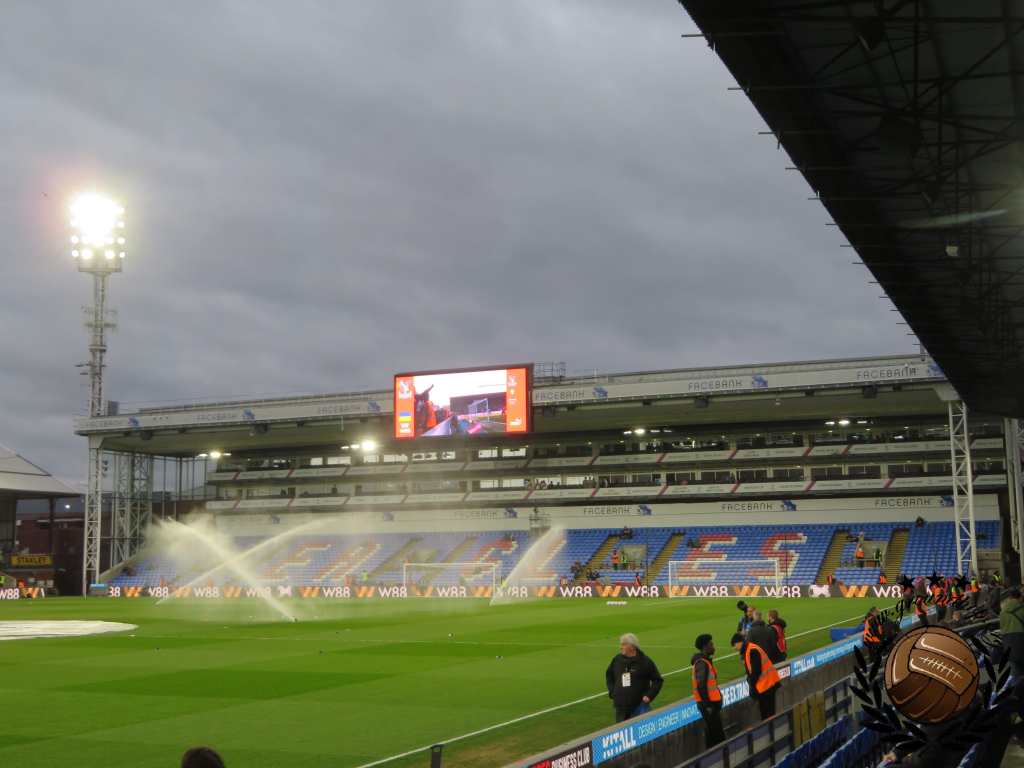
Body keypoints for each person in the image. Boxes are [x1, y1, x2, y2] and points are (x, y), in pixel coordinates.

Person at [605, 633, 663, 723]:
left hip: (639, 706)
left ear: (632, 647)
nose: (621, 647)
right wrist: (613, 692)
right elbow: (609, 675)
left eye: (624, 645)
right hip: (620, 707)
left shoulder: (644, 661)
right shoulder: (617, 660)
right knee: (623, 730)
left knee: (641, 729)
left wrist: (649, 695)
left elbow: (657, 680)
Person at [732, 632, 780, 720]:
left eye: (734, 646)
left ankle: (771, 727)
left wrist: (752, 687)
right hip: (767, 684)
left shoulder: (751, 650)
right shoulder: (749, 649)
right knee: (769, 713)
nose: (735, 649)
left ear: (739, 642)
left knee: (767, 715)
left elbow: (756, 671)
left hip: (767, 686)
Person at [691, 634, 725, 748]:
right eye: (711, 644)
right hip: (708, 705)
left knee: (714, 735)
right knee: (716, 736)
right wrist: (708, 705)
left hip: (710, 704)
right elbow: (701, 686)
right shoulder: (702, 663)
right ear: (705, 646)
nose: (713, 646)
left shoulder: (705, 661)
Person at [999, 588, 1024, 678]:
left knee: (1016, 674)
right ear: (1020, 597)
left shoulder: (1002, 612)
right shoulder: (1022, 608)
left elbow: (1002, 629)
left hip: (1008, 645)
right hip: (1021, 642)